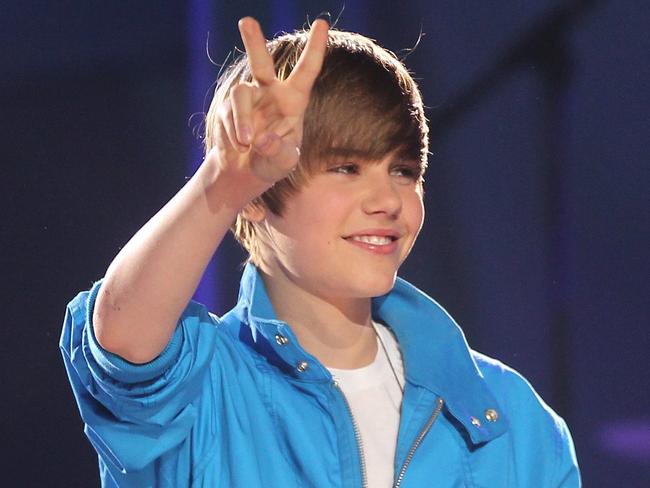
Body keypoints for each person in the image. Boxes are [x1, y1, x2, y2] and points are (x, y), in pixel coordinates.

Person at [60, 16, 580, 487]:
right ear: (259, 197)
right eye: (346, 168)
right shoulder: (204, 394)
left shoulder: (512, 419)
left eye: (404, 171)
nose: (387, 201)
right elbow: (122, 346)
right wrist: (225, 179)